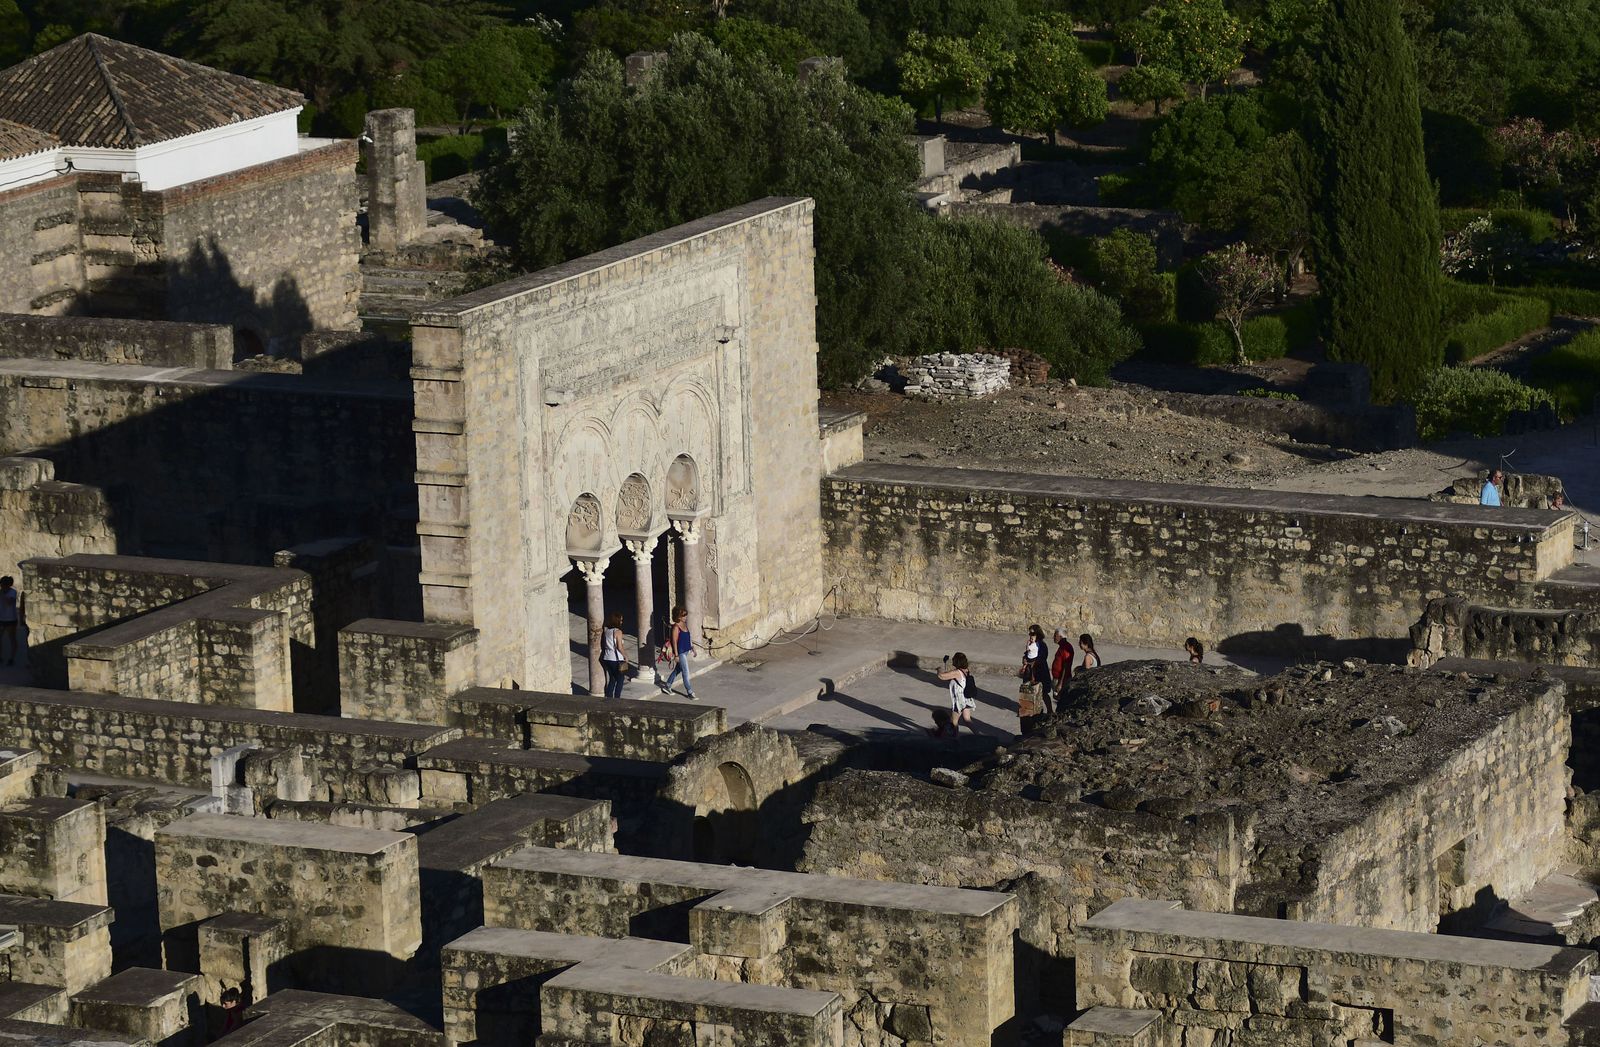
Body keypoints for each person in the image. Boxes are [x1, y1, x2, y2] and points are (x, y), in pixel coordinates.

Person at [932, 652, 975, 737]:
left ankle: (954, 738)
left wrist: (939, 669)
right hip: (966, 698)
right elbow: (955, 679)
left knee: (953, 722)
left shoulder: (957, 672)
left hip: (959, 700)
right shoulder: (965, 670)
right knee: (967, 720)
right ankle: (979, 735)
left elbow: (941, 676)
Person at [659, 606, 696, 700]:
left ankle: (667, 686)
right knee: (686, 672)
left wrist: (692, 647)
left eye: (686, 615)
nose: (685, 617)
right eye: (684, 615)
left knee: (678, 670)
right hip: (680, 653)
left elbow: (688, 637)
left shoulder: (684, 624)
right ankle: (690, 692)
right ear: (679, 616)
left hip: (686, 650)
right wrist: (676, 655)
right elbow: (674, 642)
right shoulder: (675, 627)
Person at [1023, 624, 1053, 716]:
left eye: (1032, 633)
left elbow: (1042, 658)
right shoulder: (1031, 643)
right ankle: (1029, 712)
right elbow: (1027, 654)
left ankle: (1049, 711)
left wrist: (1033, 663)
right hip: (1030, 671)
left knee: (1043, 692)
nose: (1030, 635)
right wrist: (1025, 659)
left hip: (1040, 671)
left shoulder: (1042, 645)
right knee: (1028, 691)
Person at [599, 611, 627, 700]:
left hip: (607, 658)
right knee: (620, 680)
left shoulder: (607, 631)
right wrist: (625, 656)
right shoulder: (618, 632)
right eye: (621, 620)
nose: (622, 622)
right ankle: (617, 699)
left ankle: (609, 698)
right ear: (617, 621)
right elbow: (619, 646)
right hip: (616, 659)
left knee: (612, 679)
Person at [1051, 628, 1075, 705]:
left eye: (1055, 636)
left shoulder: (1065, 648)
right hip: (1058, 678)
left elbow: (1066, 666)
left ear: (1060, 637)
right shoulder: (1062, 646)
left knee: (1060, 699)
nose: (1053, 637)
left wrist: (1060, 683)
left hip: (1062, 679)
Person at [0, 576, 17, 667]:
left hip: (11, 619)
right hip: (1, 619)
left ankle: (12, 658)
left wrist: (2, 594)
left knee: (12, 639)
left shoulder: (12, 592)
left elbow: (9, 603)